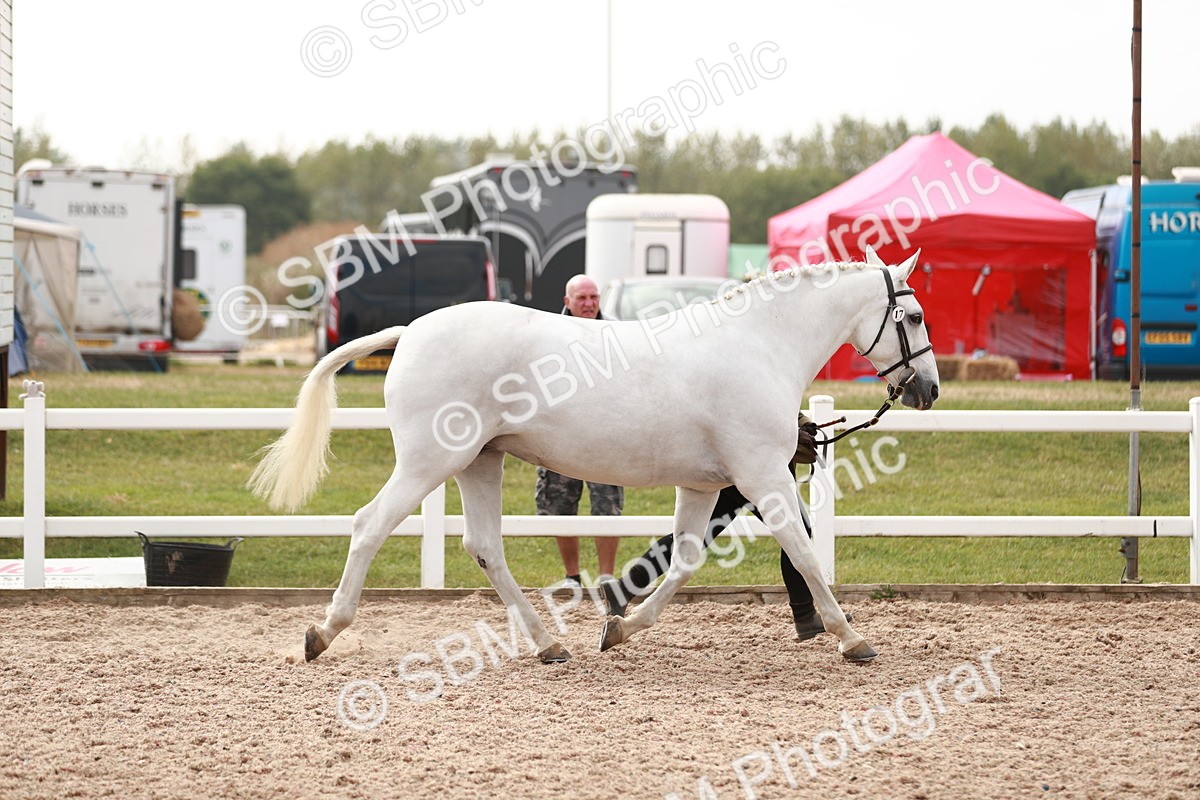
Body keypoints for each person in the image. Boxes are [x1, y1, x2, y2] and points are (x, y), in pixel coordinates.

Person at [599, 413, 851, 640]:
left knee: (696, 538)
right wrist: (796, 426)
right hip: (749, 466)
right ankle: (805, 616)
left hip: (741, 463)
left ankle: (625, 587)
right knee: (797, 531)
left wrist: (801, 422)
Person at [537, 274, 624, 588]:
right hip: (558, 436)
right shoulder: (547, 333)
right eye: (582, 298)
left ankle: (606, 578)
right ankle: (572, 577)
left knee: (607, 508)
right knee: (559, 507)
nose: (589, 304)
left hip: (605, 436)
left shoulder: (616, 332)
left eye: (593, 297)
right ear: (567, 301)